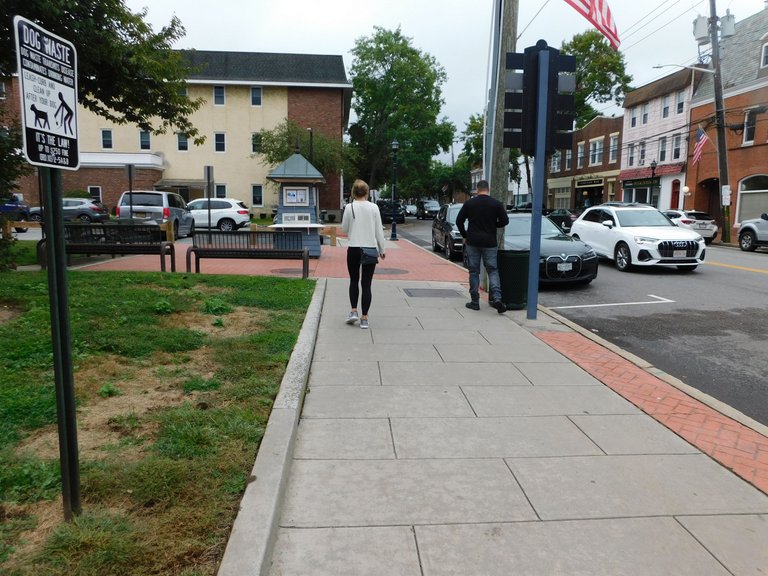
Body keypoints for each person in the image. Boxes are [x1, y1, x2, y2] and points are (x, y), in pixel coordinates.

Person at [456, 180, 509, 313]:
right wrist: (494, 225)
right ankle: (497, 298)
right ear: (488, 189)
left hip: (473, 241)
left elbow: (459, 221)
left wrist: (465, 235)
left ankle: (475, 301)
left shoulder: (470, 203)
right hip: (490, 241)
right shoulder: (496, 204)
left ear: (477, 189)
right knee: (492, 270)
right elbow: (505, 221)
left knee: (474, 271)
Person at [341, 179, 386, 329]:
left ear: (353, 192)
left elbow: (344, 228)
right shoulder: (374, 208)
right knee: (366, 284)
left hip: (353, 247)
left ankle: (353, 310)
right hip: (370, 248)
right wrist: (382, 249)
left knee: (354, 280)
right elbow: (379, 230)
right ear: (367, 192)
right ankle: (364, 318)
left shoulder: (349, 207)